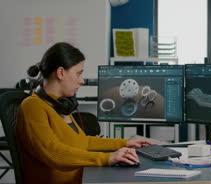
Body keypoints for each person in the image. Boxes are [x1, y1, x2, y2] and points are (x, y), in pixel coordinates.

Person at [16, 42, 153, 184]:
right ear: (61, 73)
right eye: (78, 73)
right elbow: (53, 152)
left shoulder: (61, 106)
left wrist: (125, 143)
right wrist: (107, 158)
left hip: (82, 178)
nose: (82, 81)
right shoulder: (32, 106)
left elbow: (84, 142)